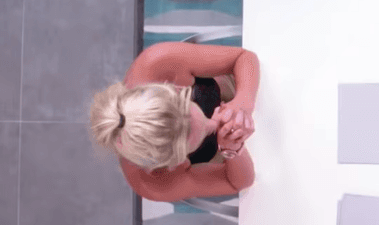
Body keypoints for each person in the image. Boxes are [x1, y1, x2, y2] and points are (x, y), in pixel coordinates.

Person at [89, 42, 260, 202]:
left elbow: (243, 58)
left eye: (191, 113)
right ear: (172, 164)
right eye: (204, 134)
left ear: (177, 89)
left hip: (243, 89)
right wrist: (232, 149)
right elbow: (236, 183)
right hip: (235, 159)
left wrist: (242, 103)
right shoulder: (151, 184)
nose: (215, 123)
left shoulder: (155, 62)